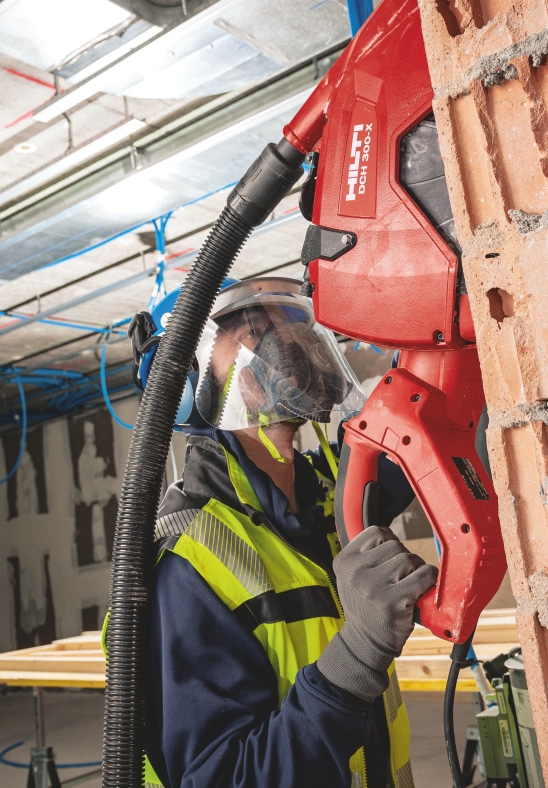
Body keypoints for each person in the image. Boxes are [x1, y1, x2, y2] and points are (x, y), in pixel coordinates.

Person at [143, 277, 436, 788]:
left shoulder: (328, 490)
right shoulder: (187, 565)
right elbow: (223, 778)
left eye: (292, 323)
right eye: (252, 330)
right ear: (187, 382)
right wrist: (357, 656)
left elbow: (421, 421)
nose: (285, 341)